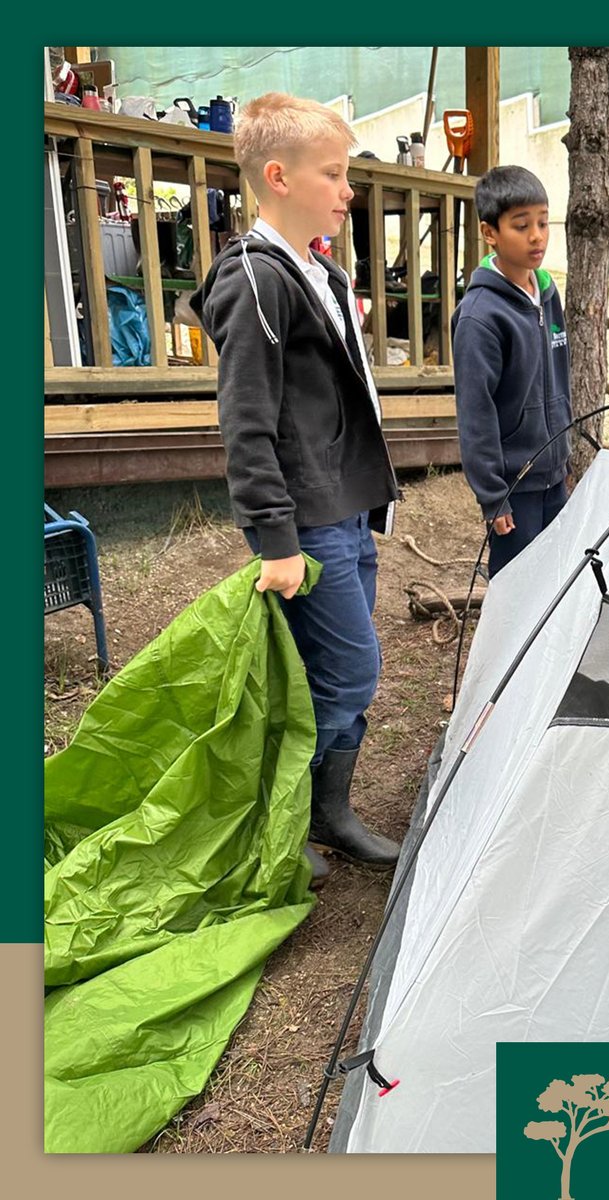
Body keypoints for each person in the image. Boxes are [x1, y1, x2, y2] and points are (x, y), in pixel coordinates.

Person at [196, 92, 401, 883]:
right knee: (350, 669)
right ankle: (299, 817)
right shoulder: (256, 281)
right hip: (306, 521)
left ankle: (318, 812)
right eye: (335, 174)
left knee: (334, 670)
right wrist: (274, 540)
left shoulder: (319, 269)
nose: (349, 189)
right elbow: (246, 422)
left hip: (345, 506)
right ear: (277, 177)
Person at [451, 165, 571, 577]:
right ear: (490, 233)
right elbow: (475, 412)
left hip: (554, 475)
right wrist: (492, 495)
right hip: (514, 486)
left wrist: (563, 453)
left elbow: (559, 378)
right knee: (516, 589)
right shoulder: (480, 316)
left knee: (556, 581)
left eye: (543, 222)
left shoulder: (548, 293)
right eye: (521, 226)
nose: (536, 236)